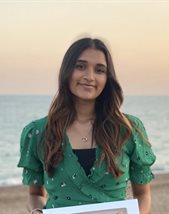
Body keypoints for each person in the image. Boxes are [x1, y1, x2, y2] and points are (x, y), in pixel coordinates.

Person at [18, 37, 156, 214]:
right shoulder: (37, 132)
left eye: (99, 70)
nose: (89, 76)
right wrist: (36, 210)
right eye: (80, 66)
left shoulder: (129, 129)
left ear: (107, 78)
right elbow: (35, 193)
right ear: (67, 71)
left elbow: (143, 194)